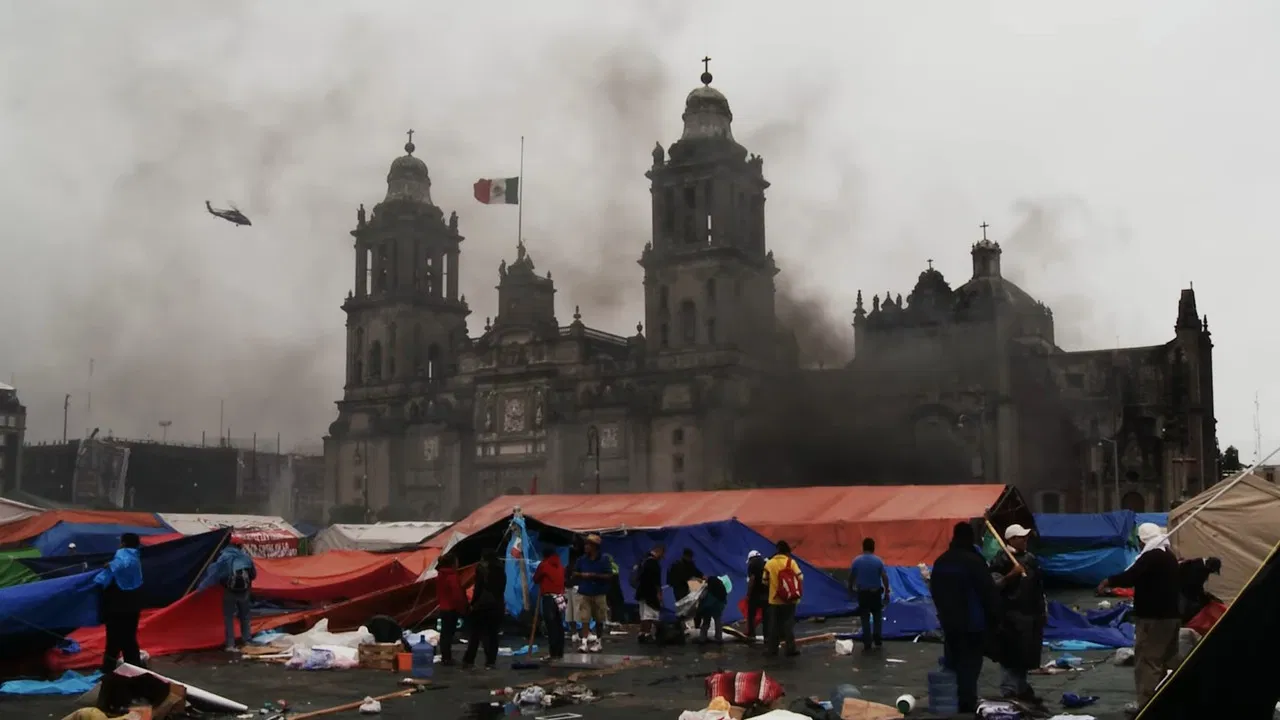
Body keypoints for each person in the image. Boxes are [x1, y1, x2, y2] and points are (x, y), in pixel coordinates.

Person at [1098, 523, 1181, 716]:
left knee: (1148, 662)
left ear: (1142, 540)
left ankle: (1147, 705)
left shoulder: (1151, 557)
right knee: (1168, 661)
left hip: (1153, 619)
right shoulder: (1169, 556)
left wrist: (1109, 581)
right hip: (1172, 617)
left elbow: (1131, 576)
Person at [929, 522, 1000, 715]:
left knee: (952, 661)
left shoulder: (942, 561)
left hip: (949, 622)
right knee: (970, 664)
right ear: (970, 537)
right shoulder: (974, 561)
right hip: (971, 623)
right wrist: (994, 619)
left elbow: (934, 590)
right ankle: (967, 703)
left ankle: (951, 699)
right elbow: (988, 592)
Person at [988, 524, 1046, 704]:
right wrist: (1011, 575)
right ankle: (1009, 690)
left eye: (1026, 536)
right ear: (1011, 539)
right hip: (1010, 615)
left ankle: (1021, 688)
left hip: (1029, 614)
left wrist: (1043, 610)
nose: (1025, 539)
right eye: (1021, 537)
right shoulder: (1002, 559)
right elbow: (993, 586)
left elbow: (1038, 586)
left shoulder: (1030, 559)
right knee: (1010, 654)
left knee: (1025, 654)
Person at [196, 537, 258, 652]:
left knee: (228, 618)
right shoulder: (245, 558)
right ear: (240, 546)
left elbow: (213, 574)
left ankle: (230, 645)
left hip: (229, 591)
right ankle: (247, 640)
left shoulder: (224, 557)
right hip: (244, 592)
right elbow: (253, 575)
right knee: (245, 617)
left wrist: (200, 589)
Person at [96, 533, 145, 674]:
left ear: (123, 543)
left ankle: (109, 669)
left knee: (114, 639)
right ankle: (133, 669)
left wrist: (110, 565)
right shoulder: (136, 556)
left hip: (118, 605)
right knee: (129, 638)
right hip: (133, 604)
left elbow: (122, 564)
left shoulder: (124, 554)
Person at [462, 549, 506, 669]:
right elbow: (502, 588)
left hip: (482, 605)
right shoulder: (501, 568)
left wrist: (473, 603)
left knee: (476, 634)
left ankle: (469, 660)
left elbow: (478, 589)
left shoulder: (482, 568)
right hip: (497, 605)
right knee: (493, 634)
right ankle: (491, 661)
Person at [571, 534, 615, 653]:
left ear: (594, 547)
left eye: (588, 545)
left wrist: (593, 575)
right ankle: (584, 642)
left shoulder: (604, 559)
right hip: (585, 592)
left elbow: (610, 575)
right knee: (584, 618)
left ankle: (598, 642)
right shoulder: (581, 560)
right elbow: (574, 573)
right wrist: (581, 575)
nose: (586, 547)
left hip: (599, 593)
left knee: (599, 618)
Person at [847, 538, 891, 651]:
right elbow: (884, 577)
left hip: (863, 594)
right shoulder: (878, 561)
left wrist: (850, 588)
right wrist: (886, 591)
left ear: (863, 547)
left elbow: (851, 577)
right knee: (877, 616)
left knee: (865, 617)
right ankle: (877, 638)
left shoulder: (856, 561)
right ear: (873, 547)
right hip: (875, 593)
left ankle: (867, 641)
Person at [763, 540, 803, 657]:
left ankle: (772, 650)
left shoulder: (769, 563)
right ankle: (790, 649)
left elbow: (764, 581)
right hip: (790, 599)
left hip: (775, 600)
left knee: (774, 625)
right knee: (788, 624)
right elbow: (800, 577)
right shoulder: (791, 562)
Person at [532, 546, 567, 659]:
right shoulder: (560, 566)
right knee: (559, 624)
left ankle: (553, 653)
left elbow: (536, 579)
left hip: (549, 598)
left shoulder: (544, 565)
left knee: (551, 626)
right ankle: (559, 652)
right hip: (560, 598)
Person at [435, 553, 468, 666]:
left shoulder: (441, 574)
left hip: (443, 607)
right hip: (451, 608)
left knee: (445, 634)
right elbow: (457, 594)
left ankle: (446, 656)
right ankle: (447, 658)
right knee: (448, 634)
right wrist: (463, 607)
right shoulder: (452, 576)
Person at [1177, 556, 1222, 622]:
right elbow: (1193, 584)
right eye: (1212, 570)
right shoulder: (1196, 567)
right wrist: (1203, 595)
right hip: (1183, 592)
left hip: (1188, 593)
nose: (1211, 572)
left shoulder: (1201, 565)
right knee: (1180, 611)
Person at [635, 544, 665, 643]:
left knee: (643, 614)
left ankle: (642, 633)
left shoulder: (643, 560)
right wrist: (659, 594)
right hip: (650, 593)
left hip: (641, 592)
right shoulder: (654, 564)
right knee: (650, 615)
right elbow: (656, 582)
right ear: (659, 551)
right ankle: (647, 634)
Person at [696, 574, 729, 644]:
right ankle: (718, 638)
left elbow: (706, 601)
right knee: (717, 620)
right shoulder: (717, 584)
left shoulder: (710, 588)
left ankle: (702, 638)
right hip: (719, 604)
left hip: (711, 605)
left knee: (706, 620)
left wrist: (700, 609)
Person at [745, 550, 769, 643]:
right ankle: (767, 636)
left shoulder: (752, 564)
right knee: (766, 617)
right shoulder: (766, 563)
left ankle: (751, 635)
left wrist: (748, 593)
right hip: (766, 594)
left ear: (751, 558)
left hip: (755, 595)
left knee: (751, 615)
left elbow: (752, 579)